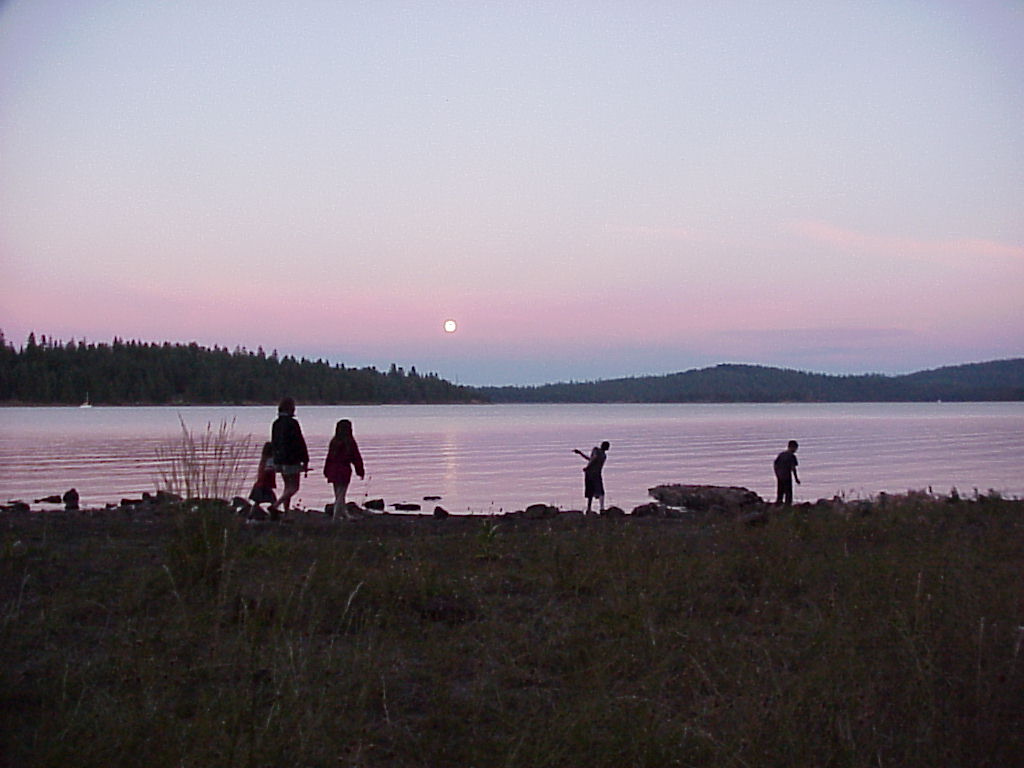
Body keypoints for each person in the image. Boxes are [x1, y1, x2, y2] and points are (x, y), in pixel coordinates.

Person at [268, 397, 309, 518]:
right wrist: (305, 459)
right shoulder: (293, 423)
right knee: (294, 487)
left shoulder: (276, 423)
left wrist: (275, 459)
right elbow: (299, 442)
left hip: (280, 460)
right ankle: (276, 505)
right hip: (292, 459)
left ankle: (286, 513)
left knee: (287, 487)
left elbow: (274, 442)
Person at [323, 419, 365, 520]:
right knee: (341, 494)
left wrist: (326, 470)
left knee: (338, 493)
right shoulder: (350, 442)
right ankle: (336, 516)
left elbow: (329, 457)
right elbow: (356, 457)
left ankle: (344, 514)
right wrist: (360, 470)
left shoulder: (334, 441)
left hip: (333, 469)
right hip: (344, 470)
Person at [574, 441, 610, 514]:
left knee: (592, 492)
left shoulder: (598, 452)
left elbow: (592, 459)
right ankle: (600, 508)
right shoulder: (602, 455)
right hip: (595, 474)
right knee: (598, 491)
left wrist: (587, 467)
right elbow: (592, 459)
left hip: (591, 473)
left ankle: (590, 508)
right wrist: (580, 453)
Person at [248, 441, 277, 514]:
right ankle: (274, 513)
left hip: (260, 484)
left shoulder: (263, 460)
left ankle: (251, 514)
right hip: (265, 485)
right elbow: (270, 470)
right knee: (273, 500)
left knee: (257, 501)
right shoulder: (270, 460)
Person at [773, 440, 800, 506]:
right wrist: (796, 478)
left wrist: (777, 474)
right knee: (788, 493)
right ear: (793, 447)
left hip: (780, 475)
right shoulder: (792, 456)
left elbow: (775, 465)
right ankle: (787, 506)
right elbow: (793, 468)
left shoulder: (781, 454)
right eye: (796, 448)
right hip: (787, 476)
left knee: (780, 491)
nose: (796, 450)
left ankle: (778, 504)